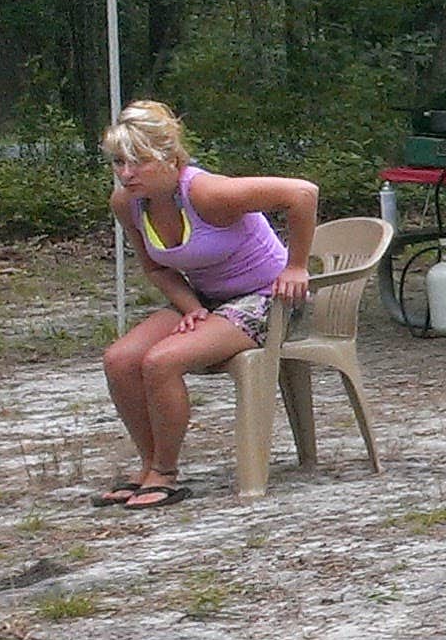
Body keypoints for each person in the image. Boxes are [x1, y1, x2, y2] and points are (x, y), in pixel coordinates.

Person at [96, 102, 320, 509]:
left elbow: (302, 194)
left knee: (161, 362)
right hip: (208, 297)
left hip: (269, 297)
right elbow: (155, 268)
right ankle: (147, 465)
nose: (126, 174)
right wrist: (189, 306)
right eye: (118, 163)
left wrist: (297, 266)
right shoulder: (127, 201)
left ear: (169, 158)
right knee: (120, 358)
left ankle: (166, 471)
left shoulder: (206, 192)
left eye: (139, 162)